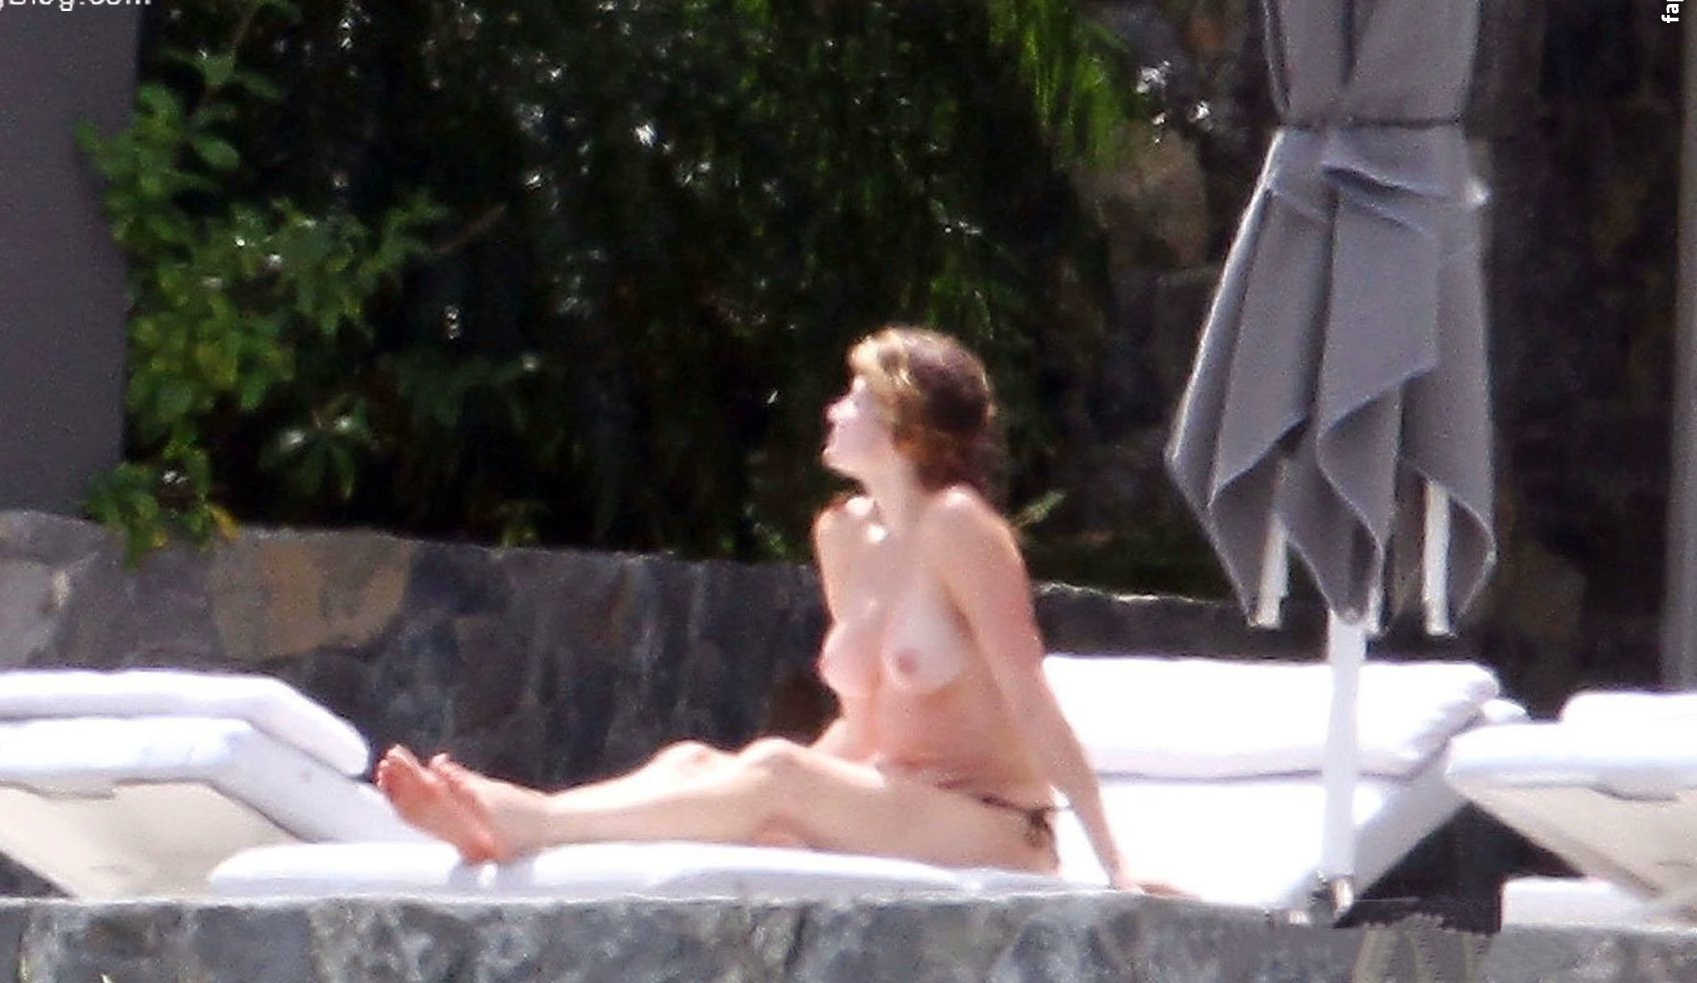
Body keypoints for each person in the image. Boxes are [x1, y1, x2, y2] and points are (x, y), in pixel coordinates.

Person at [377, 325, 1153, 890]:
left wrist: (1116, 861)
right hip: (891, 797)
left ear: (905, 428)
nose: (832, 411)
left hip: (990, 821)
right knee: (696, 762)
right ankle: (520, 826)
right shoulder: (844, 533)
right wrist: (753, 787)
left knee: (776, 770)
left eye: (855, 399)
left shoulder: (963, 529)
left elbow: (1030, 696)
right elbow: (864, 721)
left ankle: (532, 822)